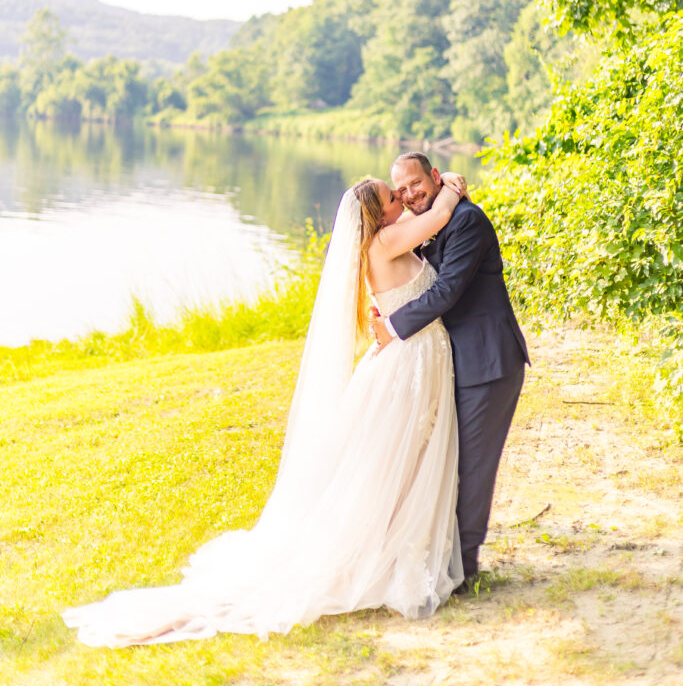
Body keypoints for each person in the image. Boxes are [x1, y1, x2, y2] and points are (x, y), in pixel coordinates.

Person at [63, 172, 467, 647]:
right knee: (392, 465)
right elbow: (440, 214)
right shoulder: (387, 240)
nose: (401, 197)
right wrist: (453, 185)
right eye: (391, 195)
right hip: (406, 368)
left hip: (410, 364)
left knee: (397, 466)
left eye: (397, 191)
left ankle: (399, 548)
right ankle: (387, 556)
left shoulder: (385, 241)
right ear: (377, 217)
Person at [371, 152, 530, 589]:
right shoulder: (431, 220)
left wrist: (393, 326)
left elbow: (447, 291)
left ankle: (463, 571)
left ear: (435, 177)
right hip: (452, 363)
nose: (408, 195)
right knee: (443, 463)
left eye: (416, 184)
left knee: (473, 470)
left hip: (487, 362)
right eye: (400, 190)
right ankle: (439, 560)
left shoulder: (466, 221)